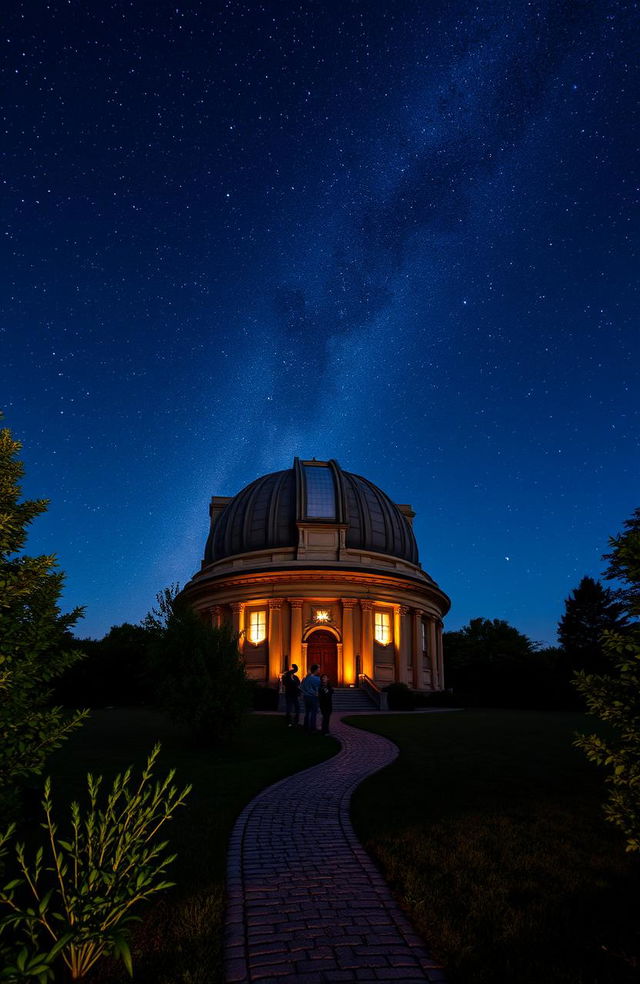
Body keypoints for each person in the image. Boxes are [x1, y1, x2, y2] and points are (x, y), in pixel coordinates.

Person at [300, 663, 321, 733]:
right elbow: (319, 688)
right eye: (318, 668)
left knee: (307, 712)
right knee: (313, 713)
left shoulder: (306, 678)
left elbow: (301, 687)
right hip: (313, 697)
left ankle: (306, 726)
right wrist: (315, 693)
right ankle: (312, 728)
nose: (319, 670)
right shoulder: (317, 679)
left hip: (306, 697)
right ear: (315, 670)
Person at [281, 662, 301, 727]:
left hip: (295, 695)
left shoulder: (296, 677)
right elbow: (284, 684)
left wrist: (299, 693)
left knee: (297, 708)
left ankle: (296, 722)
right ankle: (289, 722)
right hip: (289, 694)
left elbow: (298, 685)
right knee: (289, 708)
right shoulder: (286, 677)